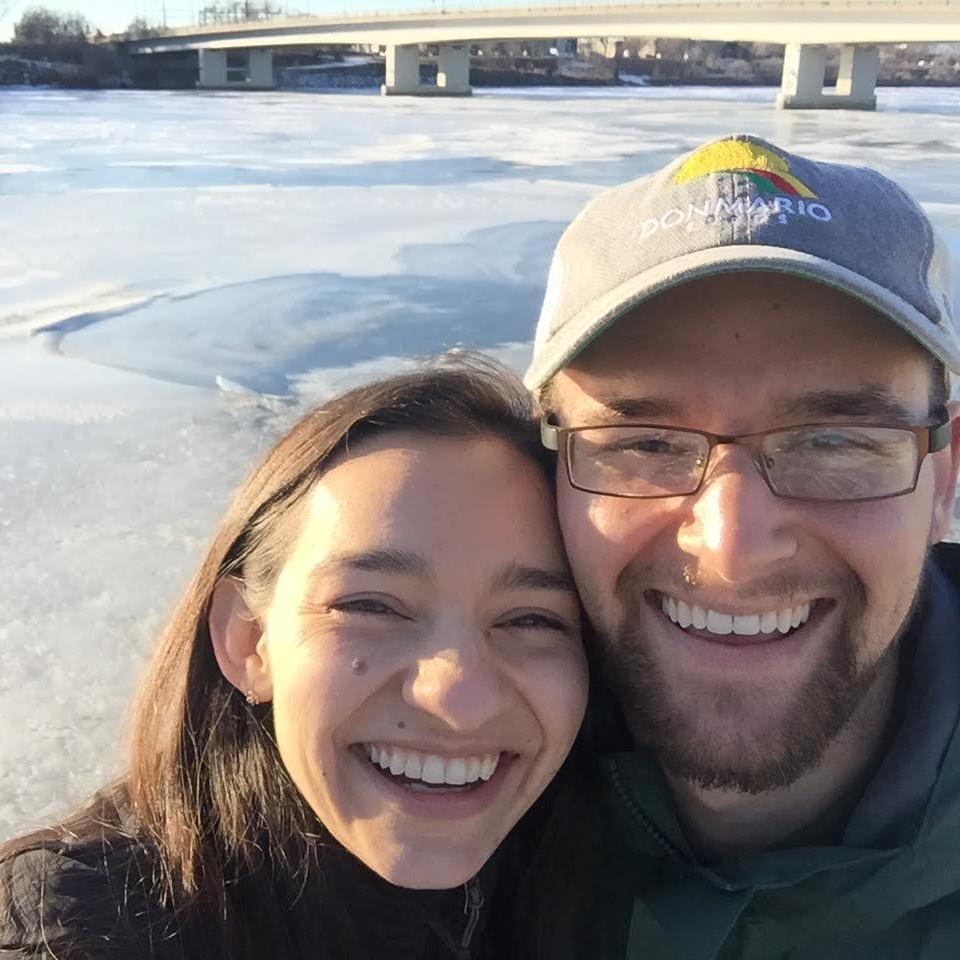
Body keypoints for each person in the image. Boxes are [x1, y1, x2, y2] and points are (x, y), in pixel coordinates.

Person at [524, 134, 960, 958]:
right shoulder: (449, 798)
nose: (731, 546)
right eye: (646, 443)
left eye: (834, 442)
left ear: (942, 482)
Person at [0, 355, 592, 960]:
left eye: (531, 618)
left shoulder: (607, 866)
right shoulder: (82, 928)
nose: (460, 699)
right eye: (372, 607)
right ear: (247, 641)